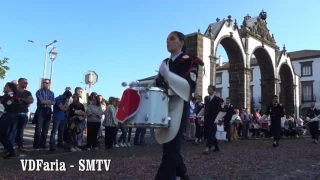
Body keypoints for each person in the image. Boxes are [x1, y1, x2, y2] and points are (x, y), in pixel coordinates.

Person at [130, 31, 203, 180]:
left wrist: (168, 76)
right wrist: (138, 84)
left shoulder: (190, 61)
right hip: (163, 107)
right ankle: (183, 174)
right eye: (166, 39)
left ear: (181, 43)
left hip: (179, 106)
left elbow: (188, 87)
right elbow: (156, 82)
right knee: (170, 146)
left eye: (172, 39)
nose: (167, 42)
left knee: (170, 149)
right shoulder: (166, 62)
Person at [202, 85, 226, 154]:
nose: (208, 90)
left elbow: (222, 110)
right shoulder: (206, 98)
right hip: (207, 118)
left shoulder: (218, 99)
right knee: (210, 132)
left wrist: (218, 118)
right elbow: (205, 108)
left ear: (214, 90)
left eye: (210, 89)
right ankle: (216, 146)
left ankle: (207, 147)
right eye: (208, 89)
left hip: (214, 118)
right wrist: (201, 115)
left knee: (211, 133)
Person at [0, 82, 20, 158]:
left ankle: (11, 151)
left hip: (8, 116)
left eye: (6, 86)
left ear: (10, 88)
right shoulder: (6, 96)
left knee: (3, 135)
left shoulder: (11, 96)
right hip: (6, 116)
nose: (4, 87)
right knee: (3, 135)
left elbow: (7, 105)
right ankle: (10, 150)